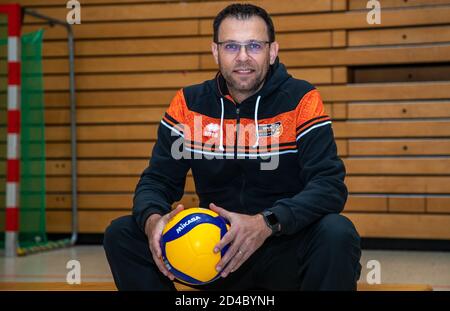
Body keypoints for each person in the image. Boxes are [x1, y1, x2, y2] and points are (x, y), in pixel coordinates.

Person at [103, 3, 361, 291]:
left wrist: (265, 223)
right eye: (230, 47)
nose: (242, 57)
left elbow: (329, 186)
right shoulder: (188, 104)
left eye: (254, 45)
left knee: (337, 233)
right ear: (215, 52)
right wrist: (152, 221)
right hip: (214, 254)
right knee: (122, 234)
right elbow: (157, 180)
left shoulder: (301, 100)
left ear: (272, 51)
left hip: (282, 249)